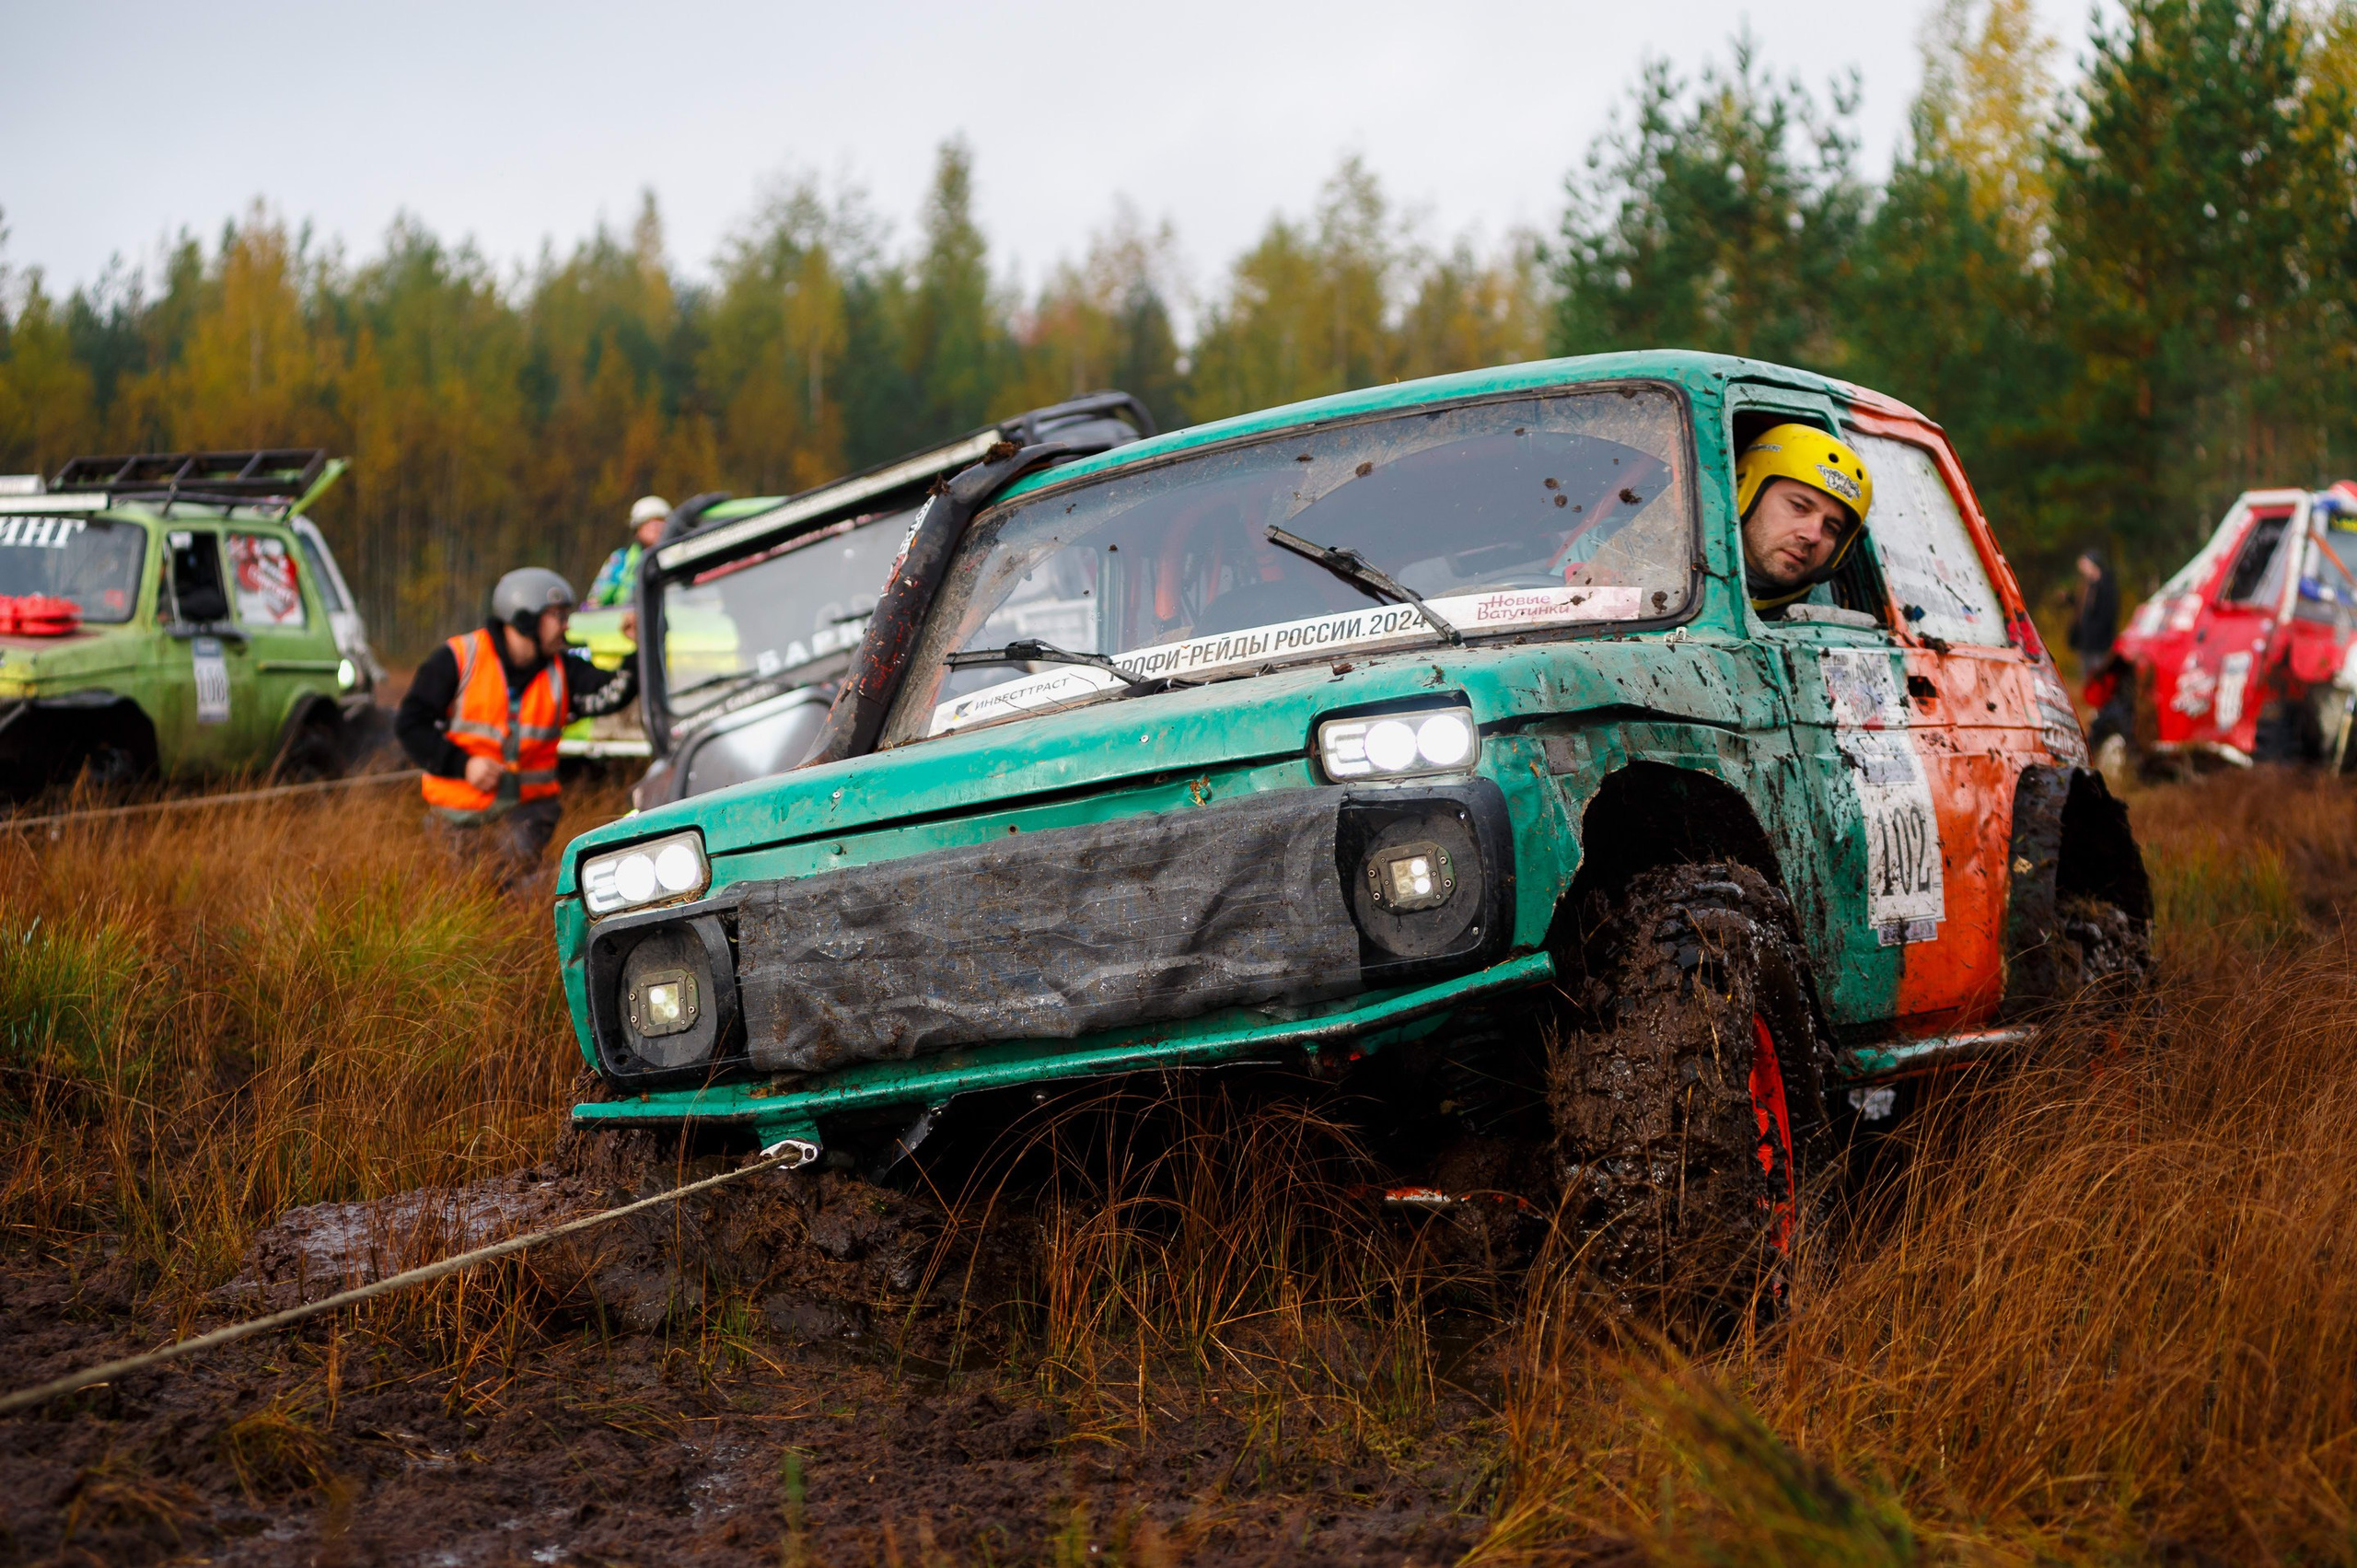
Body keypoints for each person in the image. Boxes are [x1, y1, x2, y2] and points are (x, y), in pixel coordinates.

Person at [395, 567, 637, 879]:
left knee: (508, 883)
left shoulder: (565, 669)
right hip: (455, 816)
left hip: (527, 816)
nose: (566, 626)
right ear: (525, 617)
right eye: (557, 616)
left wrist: (640, 646)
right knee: (454, 888)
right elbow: (410, 724)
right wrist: (464, 765)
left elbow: (614, 693)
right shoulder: (458, 658)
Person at [1733, 424, 1875, 615]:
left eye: (1831, 528)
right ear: (1744, 490)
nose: (1812, 536)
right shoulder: (1680, 579)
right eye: (1799, 507)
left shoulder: (1837, 622)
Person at [2072, 549, 2132, 752]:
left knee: (2100, 680)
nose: (2083, 570)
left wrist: (2099, 635)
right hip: (2087, 643)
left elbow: (2108, 615)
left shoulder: (2106, 587)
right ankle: (2094, 712)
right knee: (2089, 680)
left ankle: (2101, 713)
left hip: (2101, 643)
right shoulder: (2088, 587)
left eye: (2085, 566)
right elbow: (2083, 609)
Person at [588, 495, 671, 611]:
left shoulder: (678, 556)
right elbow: (595, 602)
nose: (656, 527)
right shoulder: (621, 560)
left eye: (660, 520)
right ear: (637, 529)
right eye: (648, 521)